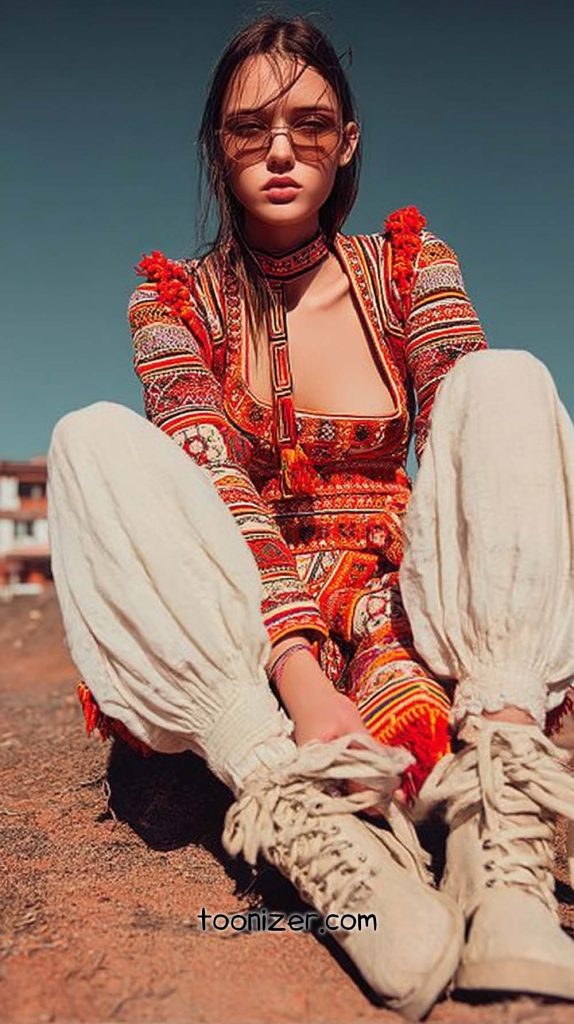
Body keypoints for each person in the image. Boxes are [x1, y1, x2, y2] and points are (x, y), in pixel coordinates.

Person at [46, 14, 574, 1020]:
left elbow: (461, 426)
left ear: (350, 140)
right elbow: (211, 477)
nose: (282, 149)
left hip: (395, 584)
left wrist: (418, 554)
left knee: (506, 380)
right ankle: (302, 810)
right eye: (250, 128)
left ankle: (499, 834)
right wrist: (295, 675)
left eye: (311, 123)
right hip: (241, 610)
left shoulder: (413, 266)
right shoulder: (173, 304)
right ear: (217, 146)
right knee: (88, 439)